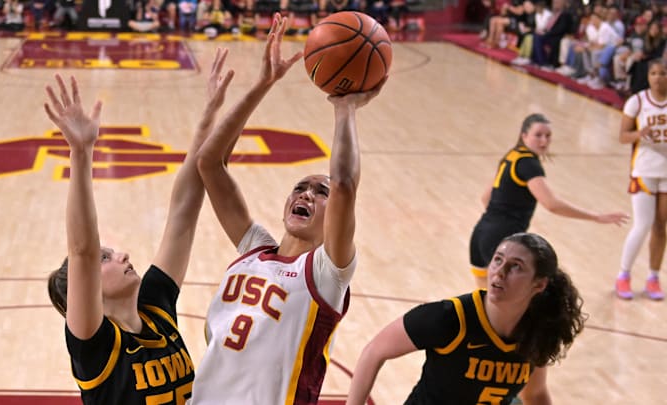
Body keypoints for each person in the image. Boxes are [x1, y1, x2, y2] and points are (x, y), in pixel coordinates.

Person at [190, 13, 384, 405]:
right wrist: (263, 84)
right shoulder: (254, 251)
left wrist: (345, 108)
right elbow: (209, 163)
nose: (307, 195)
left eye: (319, 192)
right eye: (300, 188)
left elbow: (345, 183)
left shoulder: (327, 271)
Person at [45, 48, 234, 404]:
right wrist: (81, 154)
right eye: (107, 259)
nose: (122, 255)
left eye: (112, 253)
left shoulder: (156, 307)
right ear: (86, 291)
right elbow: (82, 251)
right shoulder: (95, 344)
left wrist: (209, 113)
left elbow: (183, 211)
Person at [346, 232, 587, 405]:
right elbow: (374, 351)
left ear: (539, 284)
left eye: (516, 267)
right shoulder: (450, 318)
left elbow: (535, 395)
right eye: (498, 260)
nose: (499, 272)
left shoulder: (536, 331)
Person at [469, 113, 628, 288]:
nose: (544, 141)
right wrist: (596, 217)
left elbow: (485, 198)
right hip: (502, 240)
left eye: (548, 136)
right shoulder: (529, 164)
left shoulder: (511, 156)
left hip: (480, 234)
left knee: (484, 304)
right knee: (521, 299)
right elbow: (552, 204)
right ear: (524, 136)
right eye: (538, 135)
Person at [617, 58, 667, 301]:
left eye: (663, 73)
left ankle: (653, 277)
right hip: (644, 169)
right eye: (654, 73)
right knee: (643, 223)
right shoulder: (637, 101)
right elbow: (623, 137)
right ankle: (624, 274)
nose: (658, 77)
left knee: (661, 226)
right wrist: (640, 133)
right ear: (648, 77)